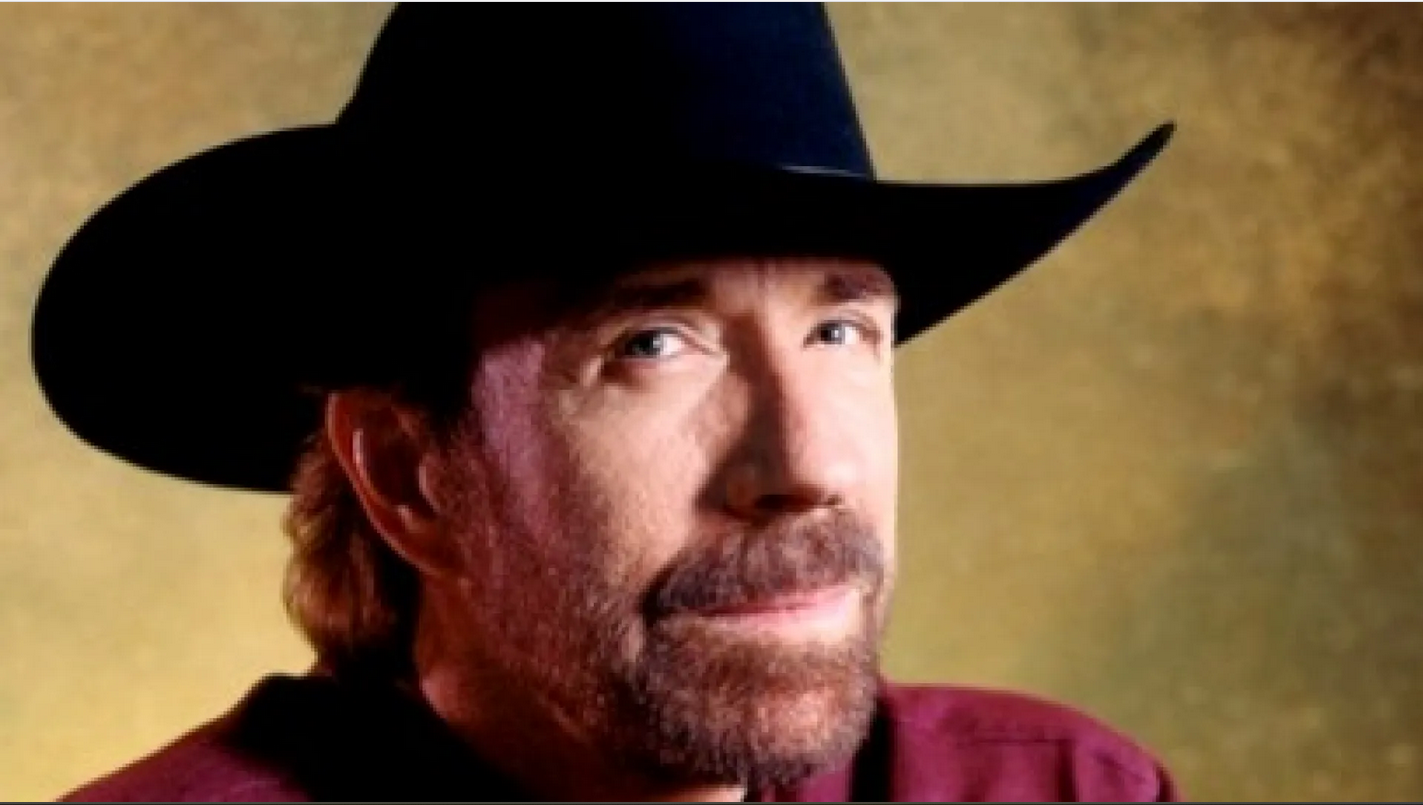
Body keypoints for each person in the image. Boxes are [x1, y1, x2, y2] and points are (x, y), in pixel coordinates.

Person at [31, 4, 1179, 802]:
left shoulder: (1063, 789)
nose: (807, 466)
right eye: (653, 344)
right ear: (409, 474)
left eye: (839, 331)